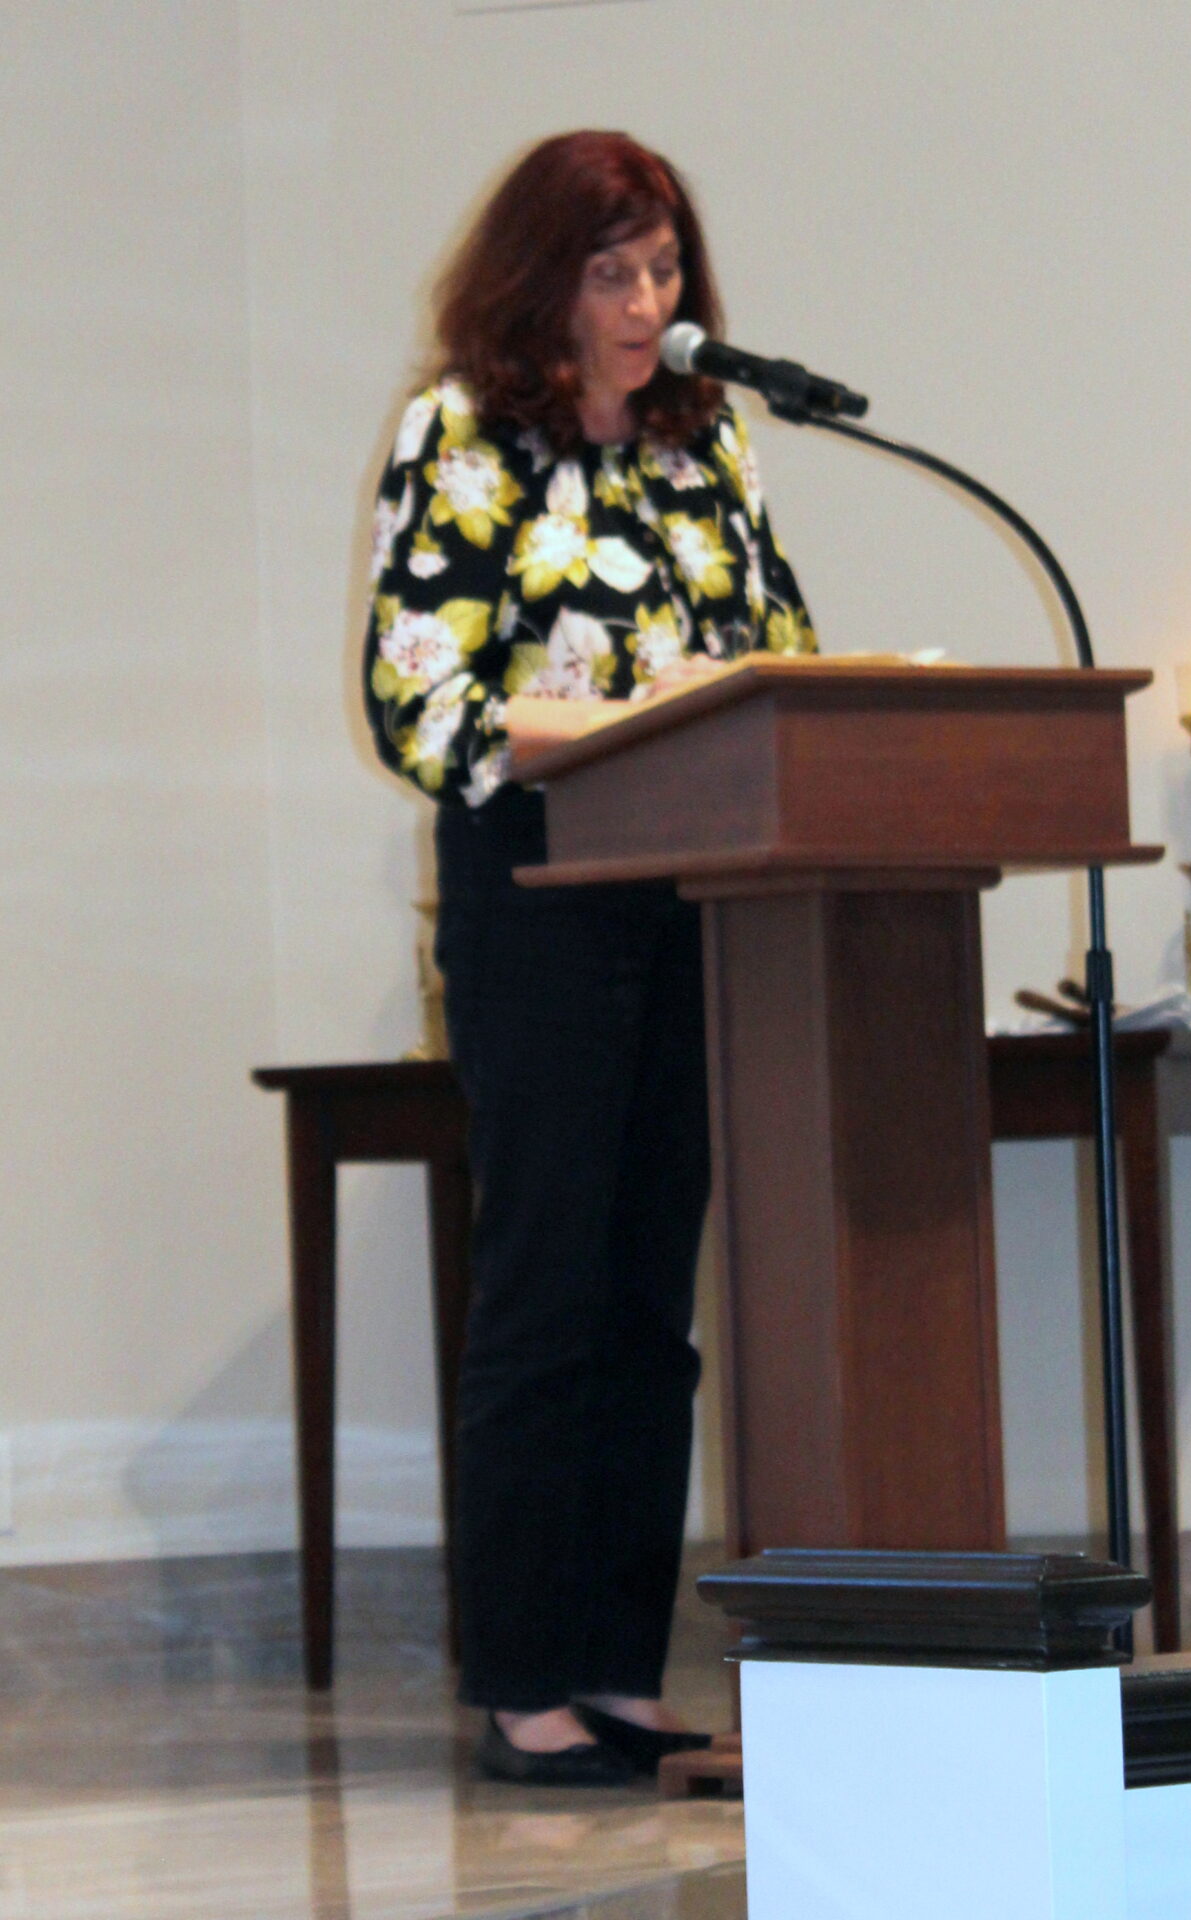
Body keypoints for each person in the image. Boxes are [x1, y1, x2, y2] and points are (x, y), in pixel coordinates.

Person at [362, 130, 815, 1786]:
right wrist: (601, 728)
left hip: (695, 898)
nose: (647, 303)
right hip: (541, 894)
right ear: (540, 280)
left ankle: (623, 1670)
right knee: (546, 1296)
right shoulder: (462, 436)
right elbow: (420, 700)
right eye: (614, 271)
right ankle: (525, 1682)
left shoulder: (713, 444)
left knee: (650, 1305)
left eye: (666, 267)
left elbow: (784, 655)